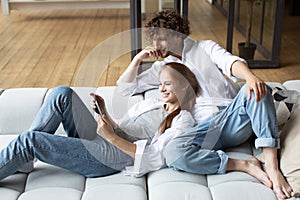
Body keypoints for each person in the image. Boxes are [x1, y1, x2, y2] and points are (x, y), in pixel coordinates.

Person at [116, 9, 292, 199]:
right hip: (202, 130)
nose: (156, 45)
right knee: (172, 152)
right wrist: (137, 60)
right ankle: (244, 165)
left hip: (232, 118)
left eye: (162, 39)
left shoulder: (205, 48)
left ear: (177, 34)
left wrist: (250, 78)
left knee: (258, 89)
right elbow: (125, 88)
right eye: (154, 40)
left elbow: (230, 62)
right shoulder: (164, 67)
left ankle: (272, 167)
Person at [0, 62, 200, 180]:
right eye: (160, 84)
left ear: (184, 87)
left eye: (168, 84)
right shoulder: (152, 104)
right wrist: (103, 111)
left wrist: (111, 138)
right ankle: (24, 160)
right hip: (104, 139)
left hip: (114, 156)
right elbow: (121, 128)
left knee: (30, 141)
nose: (162, 89)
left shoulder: (183, 120)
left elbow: (156, 157)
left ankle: (21, 156)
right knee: (62, 93)